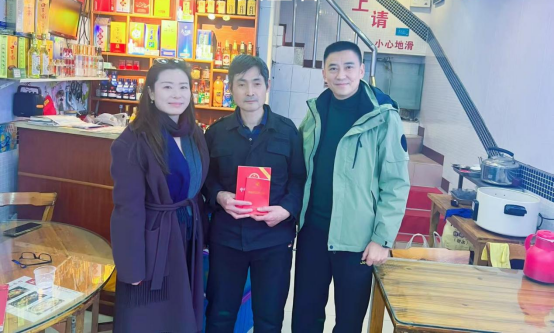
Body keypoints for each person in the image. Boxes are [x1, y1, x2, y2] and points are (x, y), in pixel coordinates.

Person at [292, 41, 410, 333]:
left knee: (348, 323)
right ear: (324, 73)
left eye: (348, 67)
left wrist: (382, 239)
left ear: (361, 70)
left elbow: (395, 183)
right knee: (305, 318)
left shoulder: (383, 116)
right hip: (313, 234)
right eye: (333, 68)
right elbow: (298, 168)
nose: (340, 75)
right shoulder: (315, 112)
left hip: (357, 240)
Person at [204, 55, 306, 333]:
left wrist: (286, 210)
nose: (250, 91)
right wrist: (220, 196)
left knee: (269, 319)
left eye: (256, 83)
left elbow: (299, 178)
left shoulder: (288, 131)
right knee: (220, 314)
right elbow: (206, 179)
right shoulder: (216, 133)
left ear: (267, 85)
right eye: (241, 83)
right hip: (227, 237)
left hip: (273, 239)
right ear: (231, 88)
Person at [110, 60, 210, 333]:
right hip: (154, 241)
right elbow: (127, 208)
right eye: (167, 87)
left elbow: (197, 191)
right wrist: (131, 266)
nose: (177, 94)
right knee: (151, 318)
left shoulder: (194, 133)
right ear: (151, 93)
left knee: (181, 315)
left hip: (187, 236)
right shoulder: (133, 140)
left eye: (183, 87)